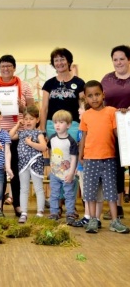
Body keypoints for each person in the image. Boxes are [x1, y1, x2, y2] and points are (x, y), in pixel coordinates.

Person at [0, 54, 34, 217]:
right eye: (3, 66)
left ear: (14, 68)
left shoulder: (24, 86)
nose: (6, 69)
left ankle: (17, 204)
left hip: (18, 135)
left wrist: (22, 107)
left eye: (9, 66)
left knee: (16, 172)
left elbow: (32, 110)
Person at [79, 80, 129, 234]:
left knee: (111, 192)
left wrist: (123, 117)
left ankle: (115, 221)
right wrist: (81, 155)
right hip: (90, 159)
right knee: (90, 192)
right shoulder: (86, 115)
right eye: (90, 96)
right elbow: (84, 137)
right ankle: (93, 220)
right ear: (86, 99)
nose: (94, 98)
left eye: (97, 95)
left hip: (109, 158)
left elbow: (118, 133)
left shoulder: (112, 111)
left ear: (103, 95)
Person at [101, 45, 130, 220]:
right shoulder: (107, 79)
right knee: (117, 168)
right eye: (115, 59)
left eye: (122, 58)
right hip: (113, 128)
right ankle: (117, 206)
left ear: (129, 60)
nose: (118, 62)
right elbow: (101, 101)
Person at [9, 105, 47, 223]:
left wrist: (31, 143)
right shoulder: (21, 134)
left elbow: (43, 147)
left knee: (38, 188)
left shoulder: (38, 133)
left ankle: (40, 212)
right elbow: (10, 136)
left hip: (35, 162)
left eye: (31, 119)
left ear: (37, 120)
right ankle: (24, 212)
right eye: (26, 119)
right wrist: (17, 125)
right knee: (23, 189)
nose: (28, 121)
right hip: (23, 164)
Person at [40, 48, 85, 140]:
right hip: (52, 126)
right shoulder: (49, 84)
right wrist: (42, 129)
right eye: (56, 60)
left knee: (72, 152)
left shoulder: (79, 82)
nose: (59, 63)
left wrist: (83, 126)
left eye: (62, 59)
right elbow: (44, 108)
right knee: (55, 153)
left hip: (73, 125)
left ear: (68, 61)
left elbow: (83, 107)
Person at [73, 97, 103, 229]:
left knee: (97, 193)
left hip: (93, 163)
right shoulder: (80, 128)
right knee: (86, 193)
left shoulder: (92, 127)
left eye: (81, 108)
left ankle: (95, 218)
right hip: (82, 165)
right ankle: (88, 217)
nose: (78, 110)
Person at [47, 110, 78, 225]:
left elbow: (74, 158)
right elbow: (51, 152)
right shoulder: (52, 138)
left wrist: (71, 173)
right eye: (55, 122)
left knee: (69, 194)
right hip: (55, 173)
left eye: (61, 122)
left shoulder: (71, 141)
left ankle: (70, 213)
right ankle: (54, 212)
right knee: (54, 193)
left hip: (67, 174)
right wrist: (52, 167)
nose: (57, 125)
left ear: (68, 125)